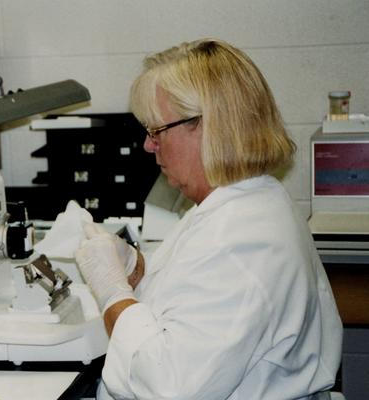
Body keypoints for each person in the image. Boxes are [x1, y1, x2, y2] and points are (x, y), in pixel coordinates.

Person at [75, 38, 343, 399]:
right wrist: (137, 268)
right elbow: (190, 296)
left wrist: (111, 292)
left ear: (206, 126)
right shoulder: (238, 203)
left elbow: (169, 386)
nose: (148, 145)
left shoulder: (241, 240)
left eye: (157, 131)